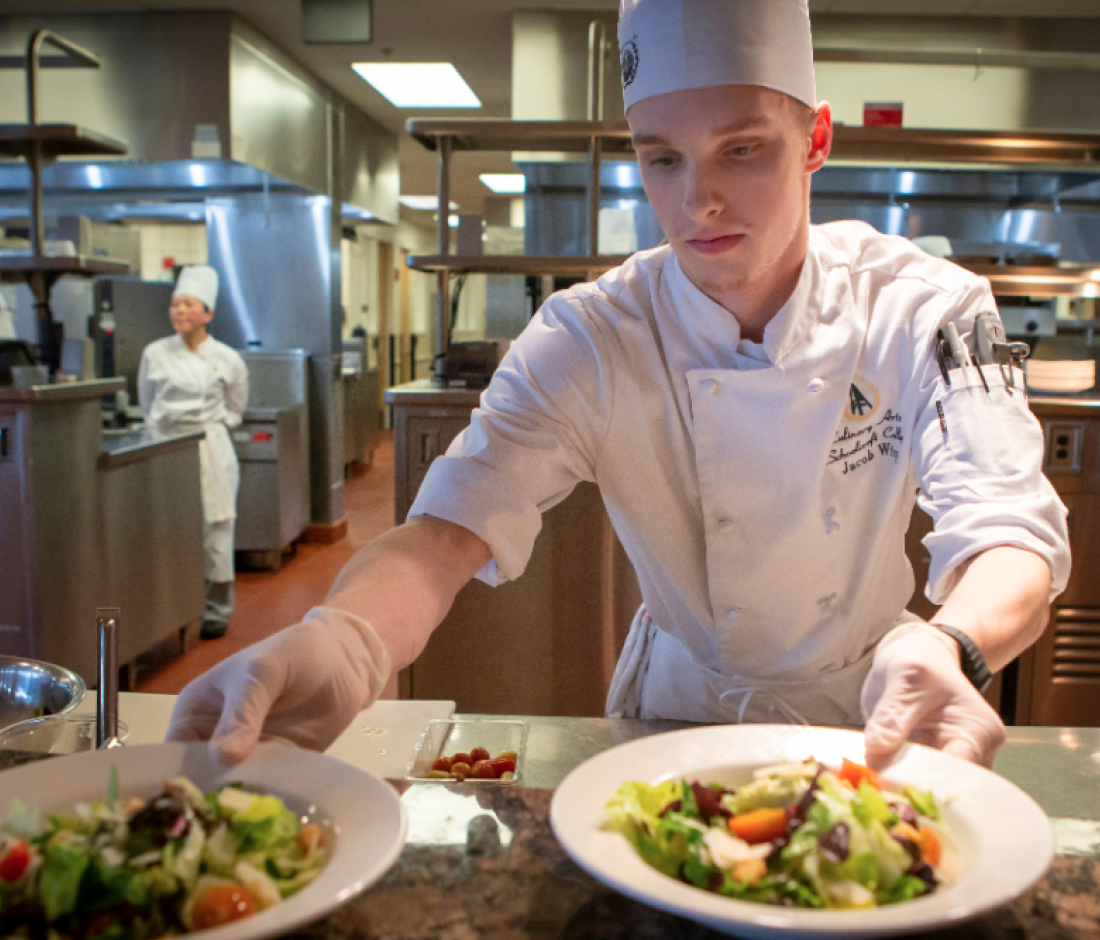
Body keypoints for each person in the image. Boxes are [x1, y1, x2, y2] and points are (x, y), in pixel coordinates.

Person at [167, 0, 1069, 768]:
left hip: (875, 711)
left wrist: (949, 641)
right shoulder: (594, 334)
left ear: (815, 141)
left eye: (742, 150)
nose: (697, 201)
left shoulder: (926, 308)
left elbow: (1010, 532)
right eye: (661, 158)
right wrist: (345, 639)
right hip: (669, 719)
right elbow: (445, 535)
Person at [139, 265, 249, 640]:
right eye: (175, 304)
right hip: (167, 447)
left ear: (208, 313)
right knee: (172, 530)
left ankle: (217, 608)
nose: (179, 311)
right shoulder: (154, 353)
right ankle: (172, 607)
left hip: (210, 449)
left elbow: (236, 407)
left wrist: (214, 429)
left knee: (217, 527)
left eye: (188, 304)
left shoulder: (227, 357)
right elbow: (146, 402)